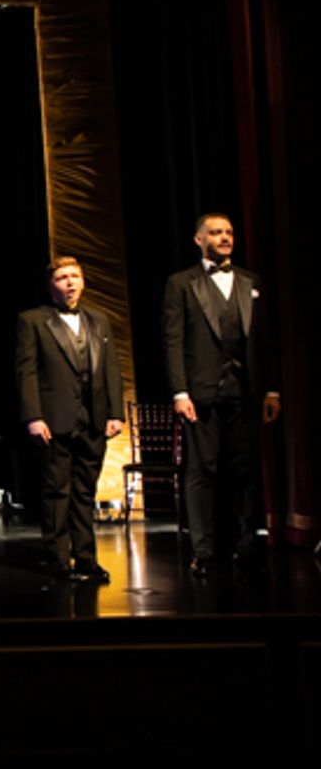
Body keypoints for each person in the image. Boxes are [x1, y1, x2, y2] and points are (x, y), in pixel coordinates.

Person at [163, 214, 281, 578]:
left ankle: (247, 546)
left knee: (245, 471)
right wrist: (180, 391)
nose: (225, 237)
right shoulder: (181, 283)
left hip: (244, 390)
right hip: (201, 392)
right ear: (199, 239)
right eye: (216, 233)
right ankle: (204, 551)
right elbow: (173, 340)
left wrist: (272, 389)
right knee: (202, 471)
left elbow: (265, 339)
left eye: (228, 232)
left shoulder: (251, 281)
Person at [14, 257, 123, 582]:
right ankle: (57, 558)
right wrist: (33, 415)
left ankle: (86, 558)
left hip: (93, 419)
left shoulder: (99, 320)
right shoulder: (33, 320)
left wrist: (115, 412)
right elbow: (26, 371)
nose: (70, 282)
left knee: (85, 492)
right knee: (56, 492)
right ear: (51, 285)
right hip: (55, 418)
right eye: (62, 277)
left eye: (75, 276)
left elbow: (111, 368)